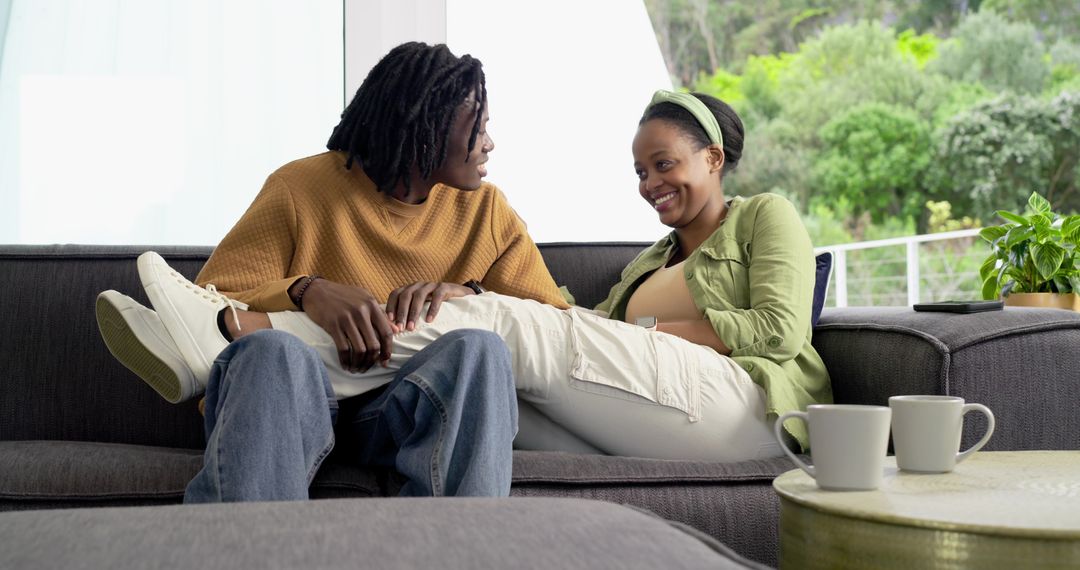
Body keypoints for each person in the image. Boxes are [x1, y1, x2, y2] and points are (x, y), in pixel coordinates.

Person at [103, 89, 832, 464]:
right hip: (661, 411)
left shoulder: (764, 216)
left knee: (499, 324)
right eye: (640, 170)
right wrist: (472, 292)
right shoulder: (648, 262)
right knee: (481, 371)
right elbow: (574, 330)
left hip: (751, 413)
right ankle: (249, 359)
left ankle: (230, 334)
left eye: (664, 164)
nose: (649, 183)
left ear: (713, 158)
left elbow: (779, 330)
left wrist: (647, 331)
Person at [96, 41, 571, 502]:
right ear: (428, 129)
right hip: (295, 404)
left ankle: (460, 545)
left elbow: (553, 328)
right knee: (272, 351)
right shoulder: (299, 188)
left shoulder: (486, 212)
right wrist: (307, 291)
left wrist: (468, 293)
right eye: (478, 127)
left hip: (400, 413)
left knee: (481, 349)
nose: (490, 143)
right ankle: (244, 543)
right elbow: (207, 305)